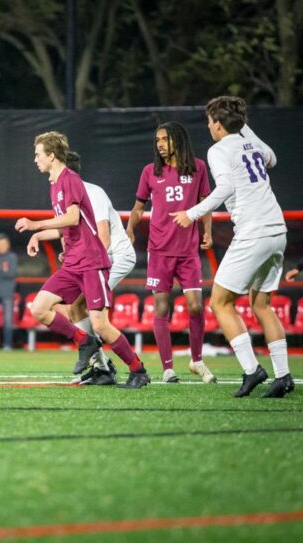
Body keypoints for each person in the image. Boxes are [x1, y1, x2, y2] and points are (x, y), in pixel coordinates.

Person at [172, 96, 293, 398]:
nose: (209, 126)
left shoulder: (219, 149)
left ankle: (253, 370)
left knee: (220, 302)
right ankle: (284, 377)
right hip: (277, 230)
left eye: (211, 120)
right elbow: (272, 159)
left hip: (253, 232)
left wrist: (192, 213)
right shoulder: (247, 141)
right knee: (261, 305)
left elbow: (225, 187)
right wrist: (245, 130)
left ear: (218, 123)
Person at [15, 131, 150, 388]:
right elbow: (68, 227)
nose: (35, 160)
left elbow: (72, 218)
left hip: (91, 262)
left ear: (51, 156)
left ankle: (138, 370)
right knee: (39, 308)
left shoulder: (71, 179)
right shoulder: (55, 183)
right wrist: (39, 236)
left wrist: (35, 225)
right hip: (73, 263)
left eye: (38, 154)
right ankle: (85, 342)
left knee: (101, 324)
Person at [125, 122, 216, 384]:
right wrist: (130, 228)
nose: (160, 144)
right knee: (162, 307)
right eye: (157, 140)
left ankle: (196, 361)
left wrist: (207, 231)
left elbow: (205, 203)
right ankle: (167, 368)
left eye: (164, 139)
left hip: (188, 251)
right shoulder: (150, 171)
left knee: (197, 306)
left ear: (178, 140)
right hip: (160, 250)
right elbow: (138, 207)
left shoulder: (198, 167)